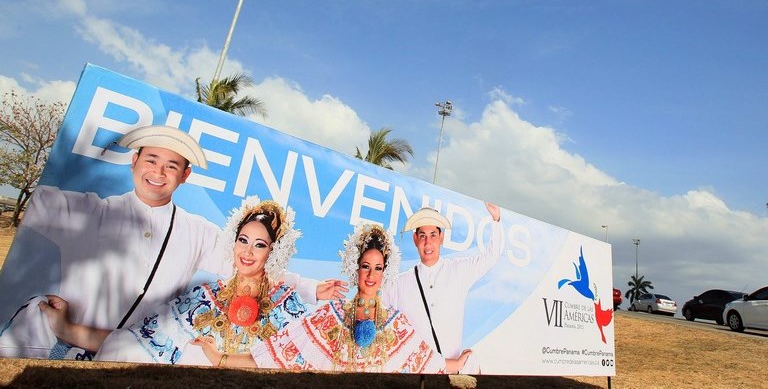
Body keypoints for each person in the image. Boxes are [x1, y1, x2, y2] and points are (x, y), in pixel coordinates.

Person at [0, 125, 344, 359]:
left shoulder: (195, 230)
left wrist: (311, 288)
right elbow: (39, 203)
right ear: (134, 162)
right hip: (59, 346)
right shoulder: (89, 209)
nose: (158, 173)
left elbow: (249, 264)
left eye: (171, 166)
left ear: (185, 175)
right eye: (151, 160)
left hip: (135, 355)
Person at [211, 223, 447, 373]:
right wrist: (221, 358)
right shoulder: (330, 315)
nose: (371, 275)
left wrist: (462, 366)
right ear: (355, 268)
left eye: (378, 268)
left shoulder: (396, 323)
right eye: (365, 266)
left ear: (385, 272)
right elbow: (276, 354)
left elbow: (431, 363)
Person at [384, 203, 504, 374]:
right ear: (415, 239)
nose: (428, 242)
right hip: (416, 377)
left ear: (441, 237)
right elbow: (372, 305)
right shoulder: (398, 284)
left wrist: (496, 219)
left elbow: (491, 256)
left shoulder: (459, 271)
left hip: (452, 377)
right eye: (422, 236)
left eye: (433, 235)